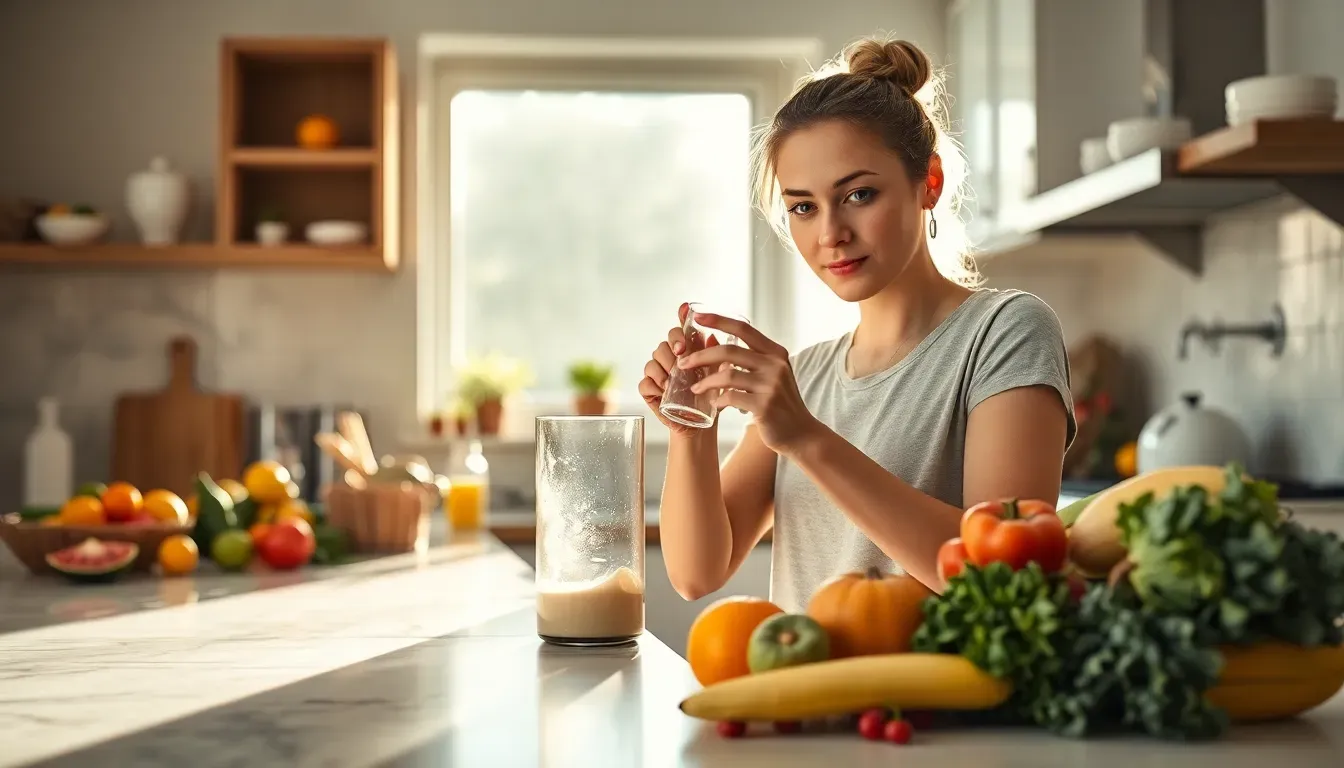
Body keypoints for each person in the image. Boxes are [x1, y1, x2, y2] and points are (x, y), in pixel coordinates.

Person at [637, 35, 1076, 612]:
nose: (829, 234)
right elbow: (697, 573)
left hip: (939, 704)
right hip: (806, 697)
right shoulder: (808, 375)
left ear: (931, 183)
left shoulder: (1004, 332)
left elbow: (1007, 584)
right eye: (803, 206)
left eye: (859, 194)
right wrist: (691, 432)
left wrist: (807, 438)